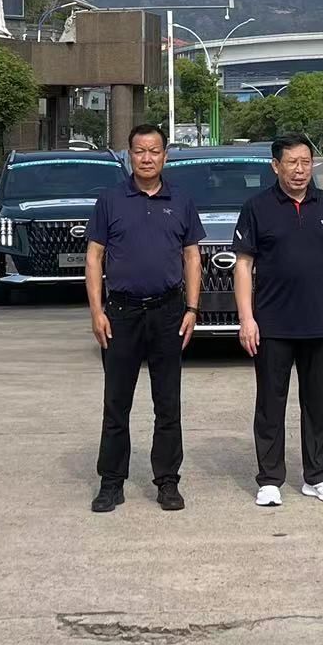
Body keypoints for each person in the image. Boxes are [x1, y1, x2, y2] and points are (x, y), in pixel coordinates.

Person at [85, 124, 204, 513]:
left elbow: (192, 257)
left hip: (169, 312)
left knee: (167, 403)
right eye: (140, 151)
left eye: (154, 151)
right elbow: (94, 257)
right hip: (121, 313)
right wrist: (97, 311)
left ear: (165, 156)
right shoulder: (110, 200)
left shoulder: (181, 200)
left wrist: (191, 308)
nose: (147, 158)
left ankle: (167, 481)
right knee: (116, 403)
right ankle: (111, 482)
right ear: (129, 155)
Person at [232, 133, 323, 507]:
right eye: (292, 162)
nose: (300, 170)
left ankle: (318, 477)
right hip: (272, 324)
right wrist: (246, 318)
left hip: (319, 322)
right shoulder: (257, 207)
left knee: (317, 403)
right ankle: (270, 479)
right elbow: (243, 264)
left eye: (306, 162)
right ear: (276, 166)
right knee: (271, 404)